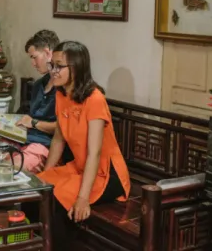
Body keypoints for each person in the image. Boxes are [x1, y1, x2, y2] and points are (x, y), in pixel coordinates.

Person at [37, 41, 130, 244]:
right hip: (80, 167)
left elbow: (94, 153)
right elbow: (58, 139)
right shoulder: (61, 94)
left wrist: (82, 198)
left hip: (107, 175)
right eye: (52, 65)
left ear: (77, 67)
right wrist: (46, 175)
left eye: (59, 66)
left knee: (57, 200)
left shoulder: (94, 99)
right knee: (37, 189)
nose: (53, 71)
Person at [12, 30, 62, 173]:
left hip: (45, 145)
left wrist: (33, 123)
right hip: (26, 139)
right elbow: (31, 115)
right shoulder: (39, 85)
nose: (33, 64)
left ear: (47, 52)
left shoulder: (63, 87)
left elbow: (65, 127)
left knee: (14, 166)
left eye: (34, 57)